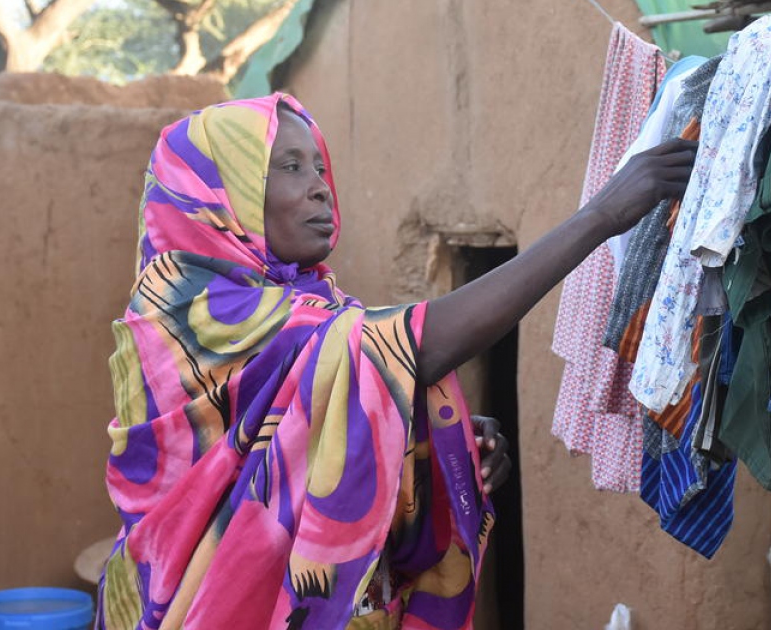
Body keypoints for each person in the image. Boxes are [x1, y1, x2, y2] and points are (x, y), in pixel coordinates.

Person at [98, 93, 695, 629]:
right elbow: (410, 347)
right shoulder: (184, 306)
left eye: (317, 165)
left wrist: (439, 441)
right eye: (287, 166)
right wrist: (603, 216)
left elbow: (338, 406)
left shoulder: (308, 303)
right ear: (217, 191)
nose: (319, 185)